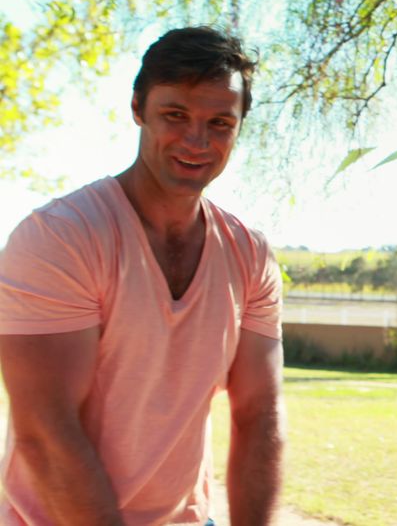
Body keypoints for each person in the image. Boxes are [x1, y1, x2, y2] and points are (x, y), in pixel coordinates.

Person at [0, 26, 284, 525]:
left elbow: (258, 415)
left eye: (220, 122)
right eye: (175, 115)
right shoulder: (61, 237)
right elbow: (46, 432)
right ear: (138, 109)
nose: (197, 140)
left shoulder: (249, 254)